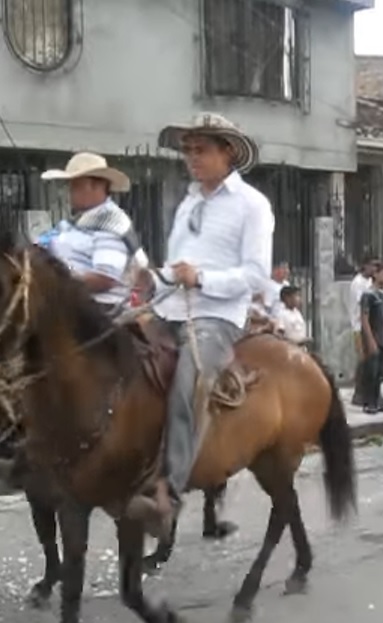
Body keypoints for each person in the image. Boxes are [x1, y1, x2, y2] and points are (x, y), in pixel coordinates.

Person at [125, 112, 274, 538]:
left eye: (201, 150)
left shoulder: (252, 205)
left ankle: (168, 494)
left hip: (217, 317)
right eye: (187, 150)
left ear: (228, 152)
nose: (192, 157)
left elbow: (256, 276)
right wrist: (153, 279)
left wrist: (202, 278)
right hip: (169, 308)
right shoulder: (188, 202)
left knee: (188, 382)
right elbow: (177, 268)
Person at [38, 152, 141, 312]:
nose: (70, 192)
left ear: (97, 187)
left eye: (76, 186)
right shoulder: (73, 223)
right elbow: (42, 244)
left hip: (99, 310)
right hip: (69, 303)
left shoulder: (111, 223)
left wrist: (59, 284)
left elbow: (104, 279)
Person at [360, 261, 383, 414]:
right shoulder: (368, 295)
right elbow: (364, 319)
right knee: (371, 372)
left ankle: (378, 400)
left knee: (380, 372)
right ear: (376, 275)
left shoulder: (382, 295)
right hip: (373, 339)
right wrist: (370, 340)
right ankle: (369, 402)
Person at [349, 255, 377, 406]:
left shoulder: (370, 282)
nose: (374, 269)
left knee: (370, 360)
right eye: (372, 265)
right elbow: (363, 303)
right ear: (364, 266)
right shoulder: (358, 283)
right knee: (363, 359)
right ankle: (358, 392)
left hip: (371, 326)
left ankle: (367, 391)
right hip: (359, 326)